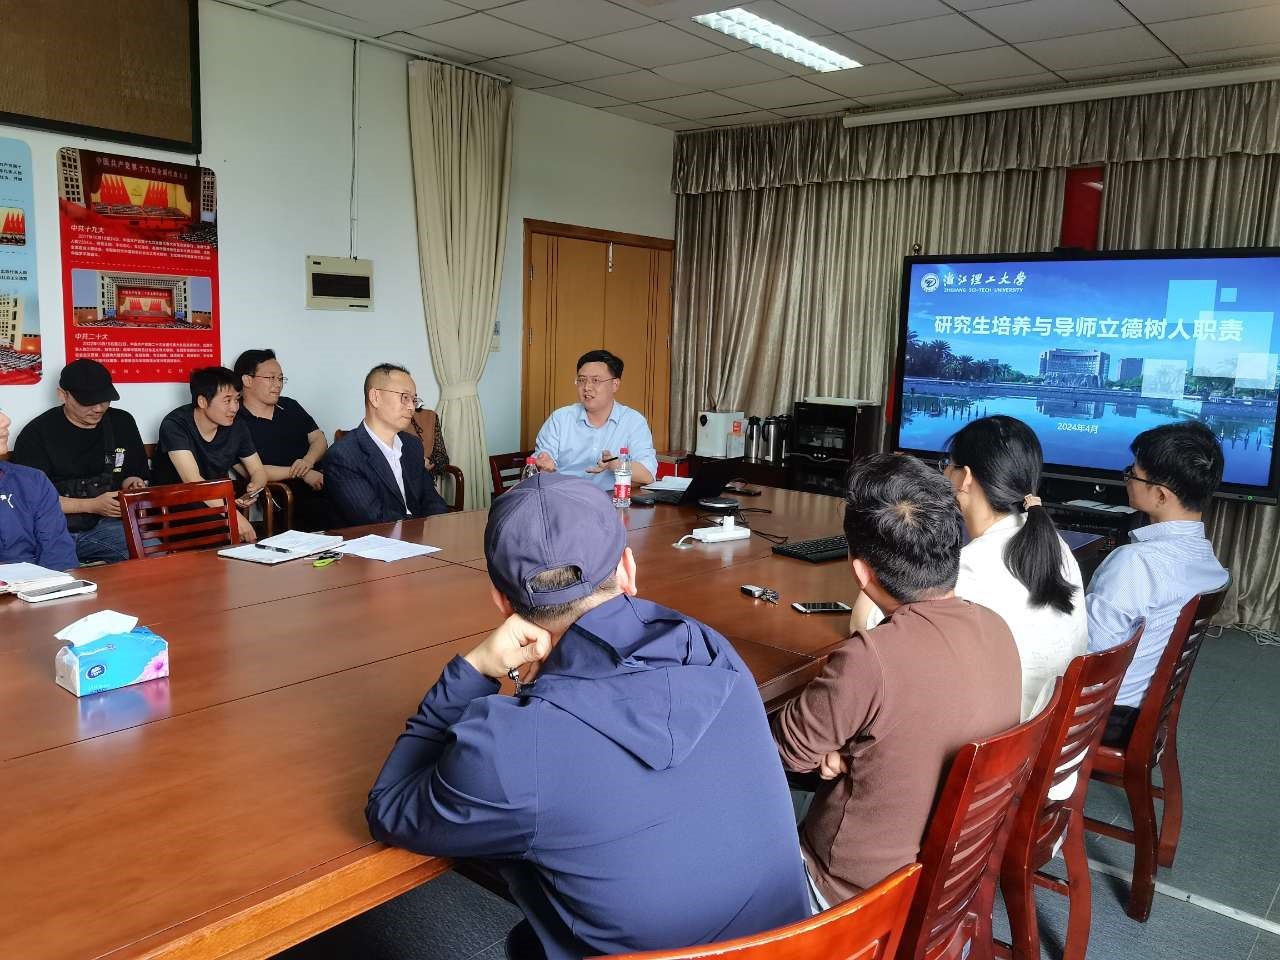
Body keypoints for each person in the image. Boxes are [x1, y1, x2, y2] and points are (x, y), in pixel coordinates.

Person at [365, 472, 809, 959]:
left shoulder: (513, 747)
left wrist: (474, 670)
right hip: (808, 947)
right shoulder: (708, 648)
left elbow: (390, 807)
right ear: (627, 569)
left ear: (502, 603)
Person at [771, 453, 1021, 912]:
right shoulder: (997, 627)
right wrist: (850, 750)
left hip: (847, 895)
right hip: (953, 880)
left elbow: (784, 753)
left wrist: (837, 748)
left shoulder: (872, 659)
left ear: (861, 572)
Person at [1087, 420, 1229, 746]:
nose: (1127, 479)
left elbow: (1091, 661)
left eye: (1133, 474)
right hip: (1144, 710)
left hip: (1103, 717)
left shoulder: (1136, 563)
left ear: (1162, 495)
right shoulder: (1208, 562)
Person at [942, 416, 1088, 719]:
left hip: (1005, 741)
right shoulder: (1055, 545)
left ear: (964, 477)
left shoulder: (972, 568)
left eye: (948, 464)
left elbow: (877, 629)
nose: (944, 472)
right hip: (1056, 733)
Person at [11, 359, 150, 564]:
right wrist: (92, 505)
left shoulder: (121, 422)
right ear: (63, 395)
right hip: (57, 530)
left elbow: (132, 473)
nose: (99, 408)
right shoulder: (36, 434)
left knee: (151, 550)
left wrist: (133, 484)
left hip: (112, 524)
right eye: (88, 401)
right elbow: (31, 501)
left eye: (105, 400)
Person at [152, 366, 268, 543]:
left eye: (237, 400)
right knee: (229, 530)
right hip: (175, 506)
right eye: (227, 401)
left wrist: (255, 488)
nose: (234, 408)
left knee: (232, 532)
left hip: (216, 503)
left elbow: (258, 470)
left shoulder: (237, 425)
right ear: (203, 401)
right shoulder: (175, 424)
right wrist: (233, 514)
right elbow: (193, 481)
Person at [324, 363, 449, 526]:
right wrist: (420, 526)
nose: (411, 407)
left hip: (420, 536)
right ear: (375, 397)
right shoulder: (343, 456)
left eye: (414, 400)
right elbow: (374, 519)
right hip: (374, 540)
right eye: (405, 397)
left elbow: (433, 501)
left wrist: (439, 526)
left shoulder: (412, 445)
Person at [233, 349, 333, 531]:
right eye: (271, 378)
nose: (278, 384)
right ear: (247, 380)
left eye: (280, 379)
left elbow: (319, 438)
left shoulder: (289, 406)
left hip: (323, 480)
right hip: (286, 497)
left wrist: (308, 461)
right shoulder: (234, 419)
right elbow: (251, 471)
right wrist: (303, 473)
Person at [533, 350, 657, 491]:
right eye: (582, 380)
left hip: (611, 500)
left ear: (615, 384)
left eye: (595, 380)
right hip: (565, 497)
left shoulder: (633, 421)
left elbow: (647, 475)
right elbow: (541, 461)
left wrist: (615, 464)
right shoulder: (560, 419)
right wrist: (543, 463)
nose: (587, 387)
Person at [0, 408, 78, 571]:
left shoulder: (32, 480)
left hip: (37, 582)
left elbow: (58, 554)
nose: (6, 420)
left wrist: (52, 583)